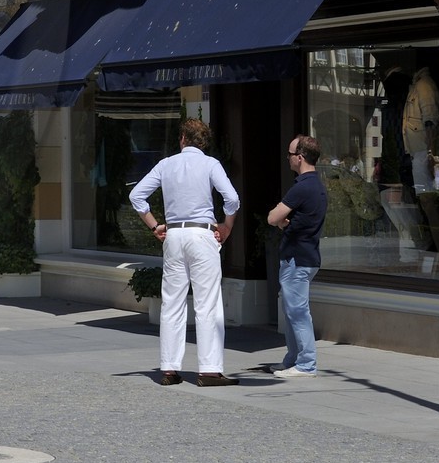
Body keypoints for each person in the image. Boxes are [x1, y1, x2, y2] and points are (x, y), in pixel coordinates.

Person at [129, 118, 241, 387]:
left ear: (182, 139)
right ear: (203, 142)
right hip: (201, 233)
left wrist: (155, 225)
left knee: (172, 302)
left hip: (175, 234)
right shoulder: (210, 164)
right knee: (207, 303)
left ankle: (169, 368)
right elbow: (232, 198)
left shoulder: (166, 164)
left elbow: (136, 196)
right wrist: (226, 227)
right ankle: (209, 370)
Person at [267, 134, 327, 378]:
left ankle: (306, 363)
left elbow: (272, 217)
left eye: (290, 154)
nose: (288, 158)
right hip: (305, 256)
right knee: (292, 310)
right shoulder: (317, 186)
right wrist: (284, 223)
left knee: (298, 311)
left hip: (297, 259)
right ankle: (293, 358)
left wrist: (281, 223)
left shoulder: (302, 187)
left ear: (300, 158)